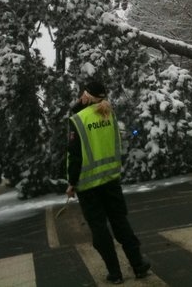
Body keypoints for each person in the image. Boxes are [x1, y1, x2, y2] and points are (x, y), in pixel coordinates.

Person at [66, 80, 150, 284]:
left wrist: (71, 183)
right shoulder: (108, 114)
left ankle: (115, 273)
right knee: (120, 223)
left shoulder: (77, 120)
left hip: (87, 185)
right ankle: (138, 266)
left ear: (86, 95)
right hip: (111, 181)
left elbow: (75, 155)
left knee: (99, 229)